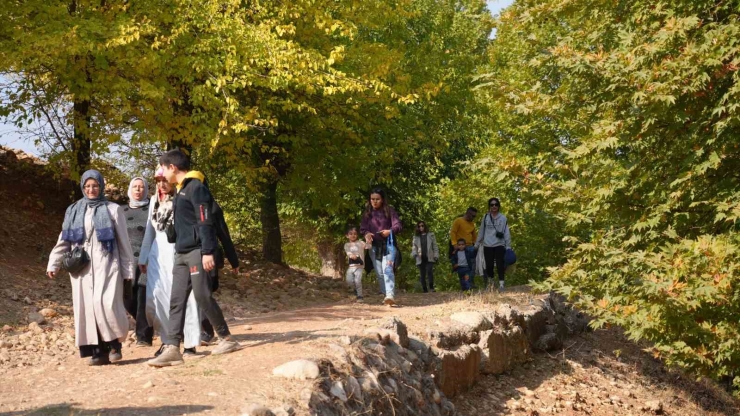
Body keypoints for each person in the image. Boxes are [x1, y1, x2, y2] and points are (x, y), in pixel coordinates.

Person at [147, 149, 240, 367]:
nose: (162, 174)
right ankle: (172, 348)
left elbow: (205, 221)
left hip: (198, 252)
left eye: (163, 167)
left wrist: (208, 251)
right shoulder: (179, 191)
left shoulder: (196, 188)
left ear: (173, 167)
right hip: (181, 252)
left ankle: (226, 338)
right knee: (176, 299)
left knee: (201, 295)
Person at [47, 170, 135, 365]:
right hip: (82, 268)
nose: (91, 189)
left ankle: (114, 345)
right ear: (82, 188)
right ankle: (98, 352)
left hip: (107, 264)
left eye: (95, 185)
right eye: (87, 186)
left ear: (101, 186)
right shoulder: (73, 210)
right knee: (87, 308)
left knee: (105, 304)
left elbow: (124, 243)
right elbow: (64, 240)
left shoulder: (113, 209)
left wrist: (128, 271)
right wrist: (54, 262)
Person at [138, 168, 202, 357]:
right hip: (157, 255)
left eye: (164, 180)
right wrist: (144, 256)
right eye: (158, 181)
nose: (161, 184)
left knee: (187, 298)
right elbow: (150, 229)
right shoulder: (153, 201)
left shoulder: (183, 198)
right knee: (157, 297)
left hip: (179, 250)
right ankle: (168, 341)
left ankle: (190, 343)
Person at [200, 200, 240, 345]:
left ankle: (209, 332)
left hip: (210, 257)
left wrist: (233, 260)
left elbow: (224, 234)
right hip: (186, 256)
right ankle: (202, 330)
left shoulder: (212, 207)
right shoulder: (181, 201)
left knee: (204, 293)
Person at [122, 177, 154, 347]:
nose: (138, 190)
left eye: (142, 187)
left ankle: (144, 337)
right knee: (127, 299)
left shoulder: (152, 209)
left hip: (146, 258)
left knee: (143, 298)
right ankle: (148, 323)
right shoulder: (121, 210)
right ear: (130, 189)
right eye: (135, 186)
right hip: (126, 260)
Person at [360, 188, 402, 306]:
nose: (375, 201)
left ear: (382, 199)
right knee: (379, 273)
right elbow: (363, 228)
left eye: (377, 199)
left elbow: (398, 225)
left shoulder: (390, 211)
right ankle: (386, 296)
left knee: (388, 269)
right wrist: (367, 234)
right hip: (374, 247)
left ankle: (390, 295)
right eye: (372, 199)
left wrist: (390, 231)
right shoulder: (367, 213)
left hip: (389, 245)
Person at [475, 197, 511, 290]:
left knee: (500, 264)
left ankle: (501, 284)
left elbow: (506, 232)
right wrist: (477, 243)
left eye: (496, 204)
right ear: (489, 206)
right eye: (492, 205)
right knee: (489, 265)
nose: (494, 206)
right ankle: (491, 283)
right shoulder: (486, 217)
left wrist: (508, 246)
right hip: (487, 244)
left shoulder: (503, 218)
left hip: (500, 244)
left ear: (498, 206)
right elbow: (481, 231)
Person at [411, 221, 439, 293]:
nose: (421, 227)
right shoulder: (415, 237)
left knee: (429, 271)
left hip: (429, 256)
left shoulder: (431, 235)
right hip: (420, 257)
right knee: (422, 273)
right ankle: (424, 289)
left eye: (422, 225)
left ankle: (431, 287)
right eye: (419, 226)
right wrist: (414, 254)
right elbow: (414, 247)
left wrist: (436, 255)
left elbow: (435, 246)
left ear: (425, 226)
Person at [344, 226, 366, 302]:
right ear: (347, 235)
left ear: (357, 235)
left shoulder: (361, 243)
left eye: (355, 234)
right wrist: (351, 255)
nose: (353, 235)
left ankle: (360, 296)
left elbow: (368, 246)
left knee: (358, 281)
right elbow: (348, 252)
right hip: (351, 266)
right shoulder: (346, 245)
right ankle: (354, 290)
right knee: (348, 280)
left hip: (360, 266)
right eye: (350, 234)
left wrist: (369, 240)